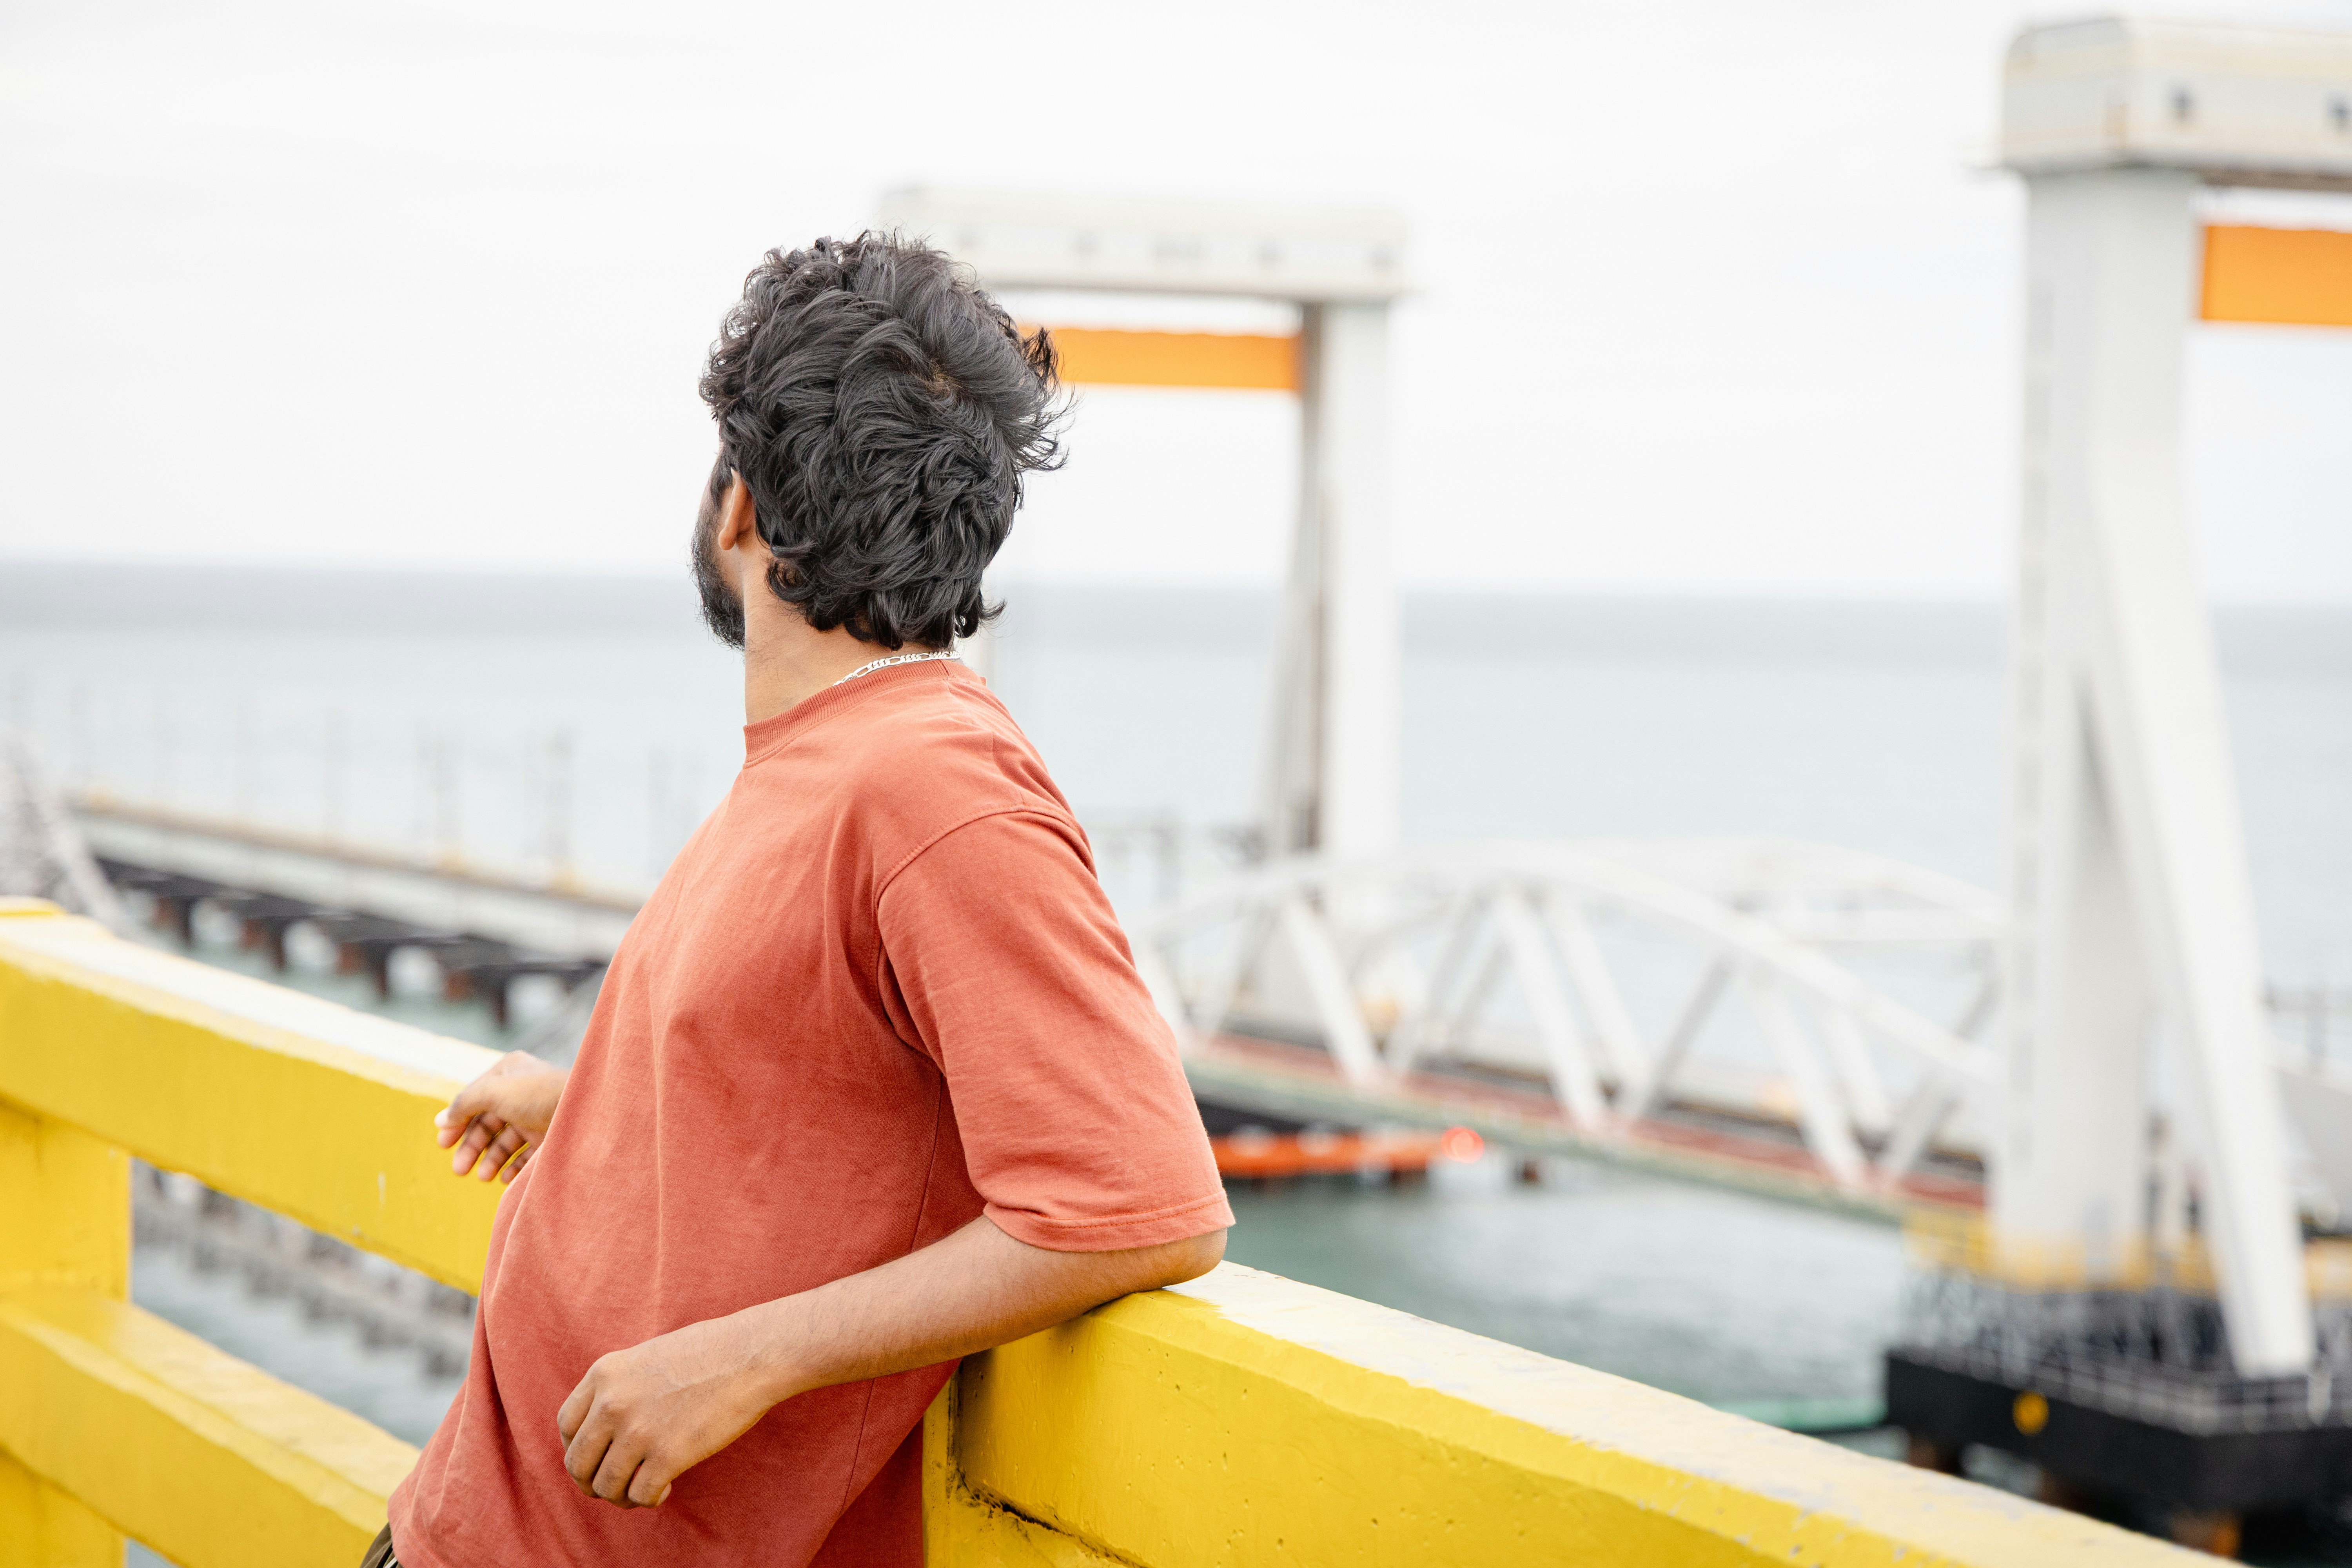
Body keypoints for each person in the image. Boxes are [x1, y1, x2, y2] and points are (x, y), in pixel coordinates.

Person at [369, 234, 1232, 1568]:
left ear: (740, 508)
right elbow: (822, 1079)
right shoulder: (836, 760)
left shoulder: (939, 791)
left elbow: (1141, 1204)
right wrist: (591, 1100)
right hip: (480, 1523)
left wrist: (744, 1363)